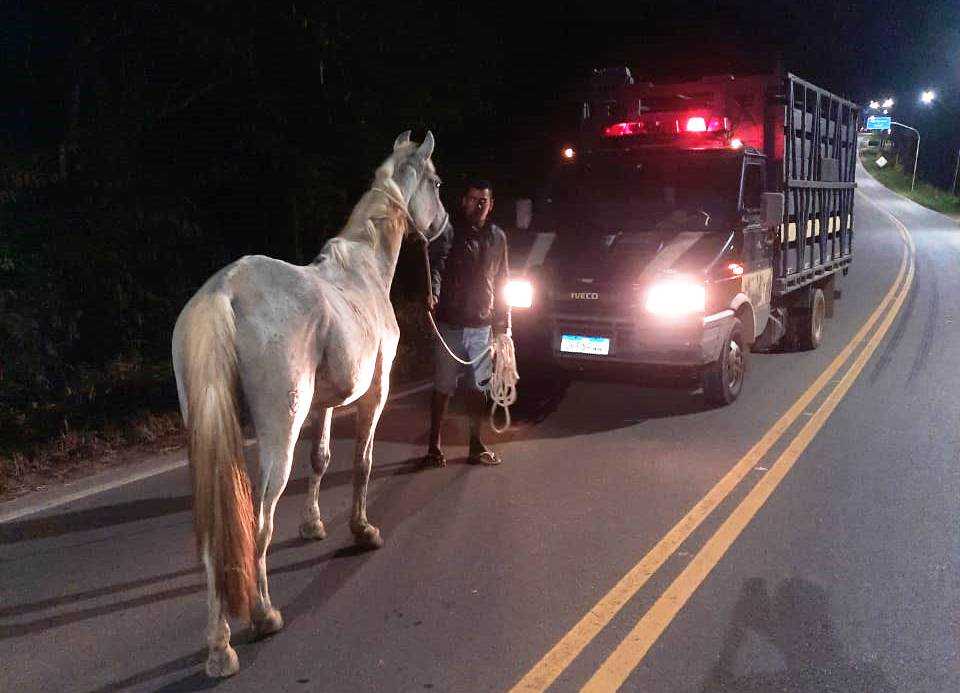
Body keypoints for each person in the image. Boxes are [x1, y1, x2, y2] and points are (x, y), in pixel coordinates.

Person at [423, 179, 509, 467]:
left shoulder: (498, 237)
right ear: (464, 202)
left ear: (491, 204)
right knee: (443, 386)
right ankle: (433, 447)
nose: (479, 205)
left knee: (479, 388)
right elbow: (438, 266)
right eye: (474, 199)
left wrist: (501, 326)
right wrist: (433, 293)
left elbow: (502, 281)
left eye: (484, 200)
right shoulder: (450, 233)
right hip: (452, 323)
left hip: (482, 326)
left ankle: (476, 445)